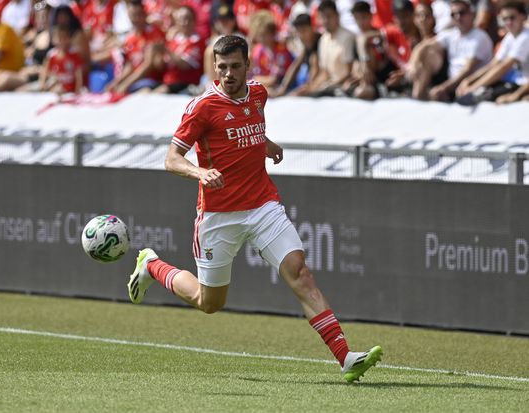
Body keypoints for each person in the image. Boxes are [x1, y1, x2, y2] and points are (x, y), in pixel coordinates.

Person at [127, 34, 382, 383]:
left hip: (262, 205)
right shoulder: (202, 108)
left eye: (235, 66)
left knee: (299, 273)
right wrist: (200, 172)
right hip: (218, 216)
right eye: (221, 67)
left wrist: (266, 144)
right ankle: (152, 265)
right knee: (209, 302)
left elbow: (246, 130)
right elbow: (171, 159)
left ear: (248, 65)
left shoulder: (259, 94)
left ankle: (346, 358)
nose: (228, 74)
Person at [411, 0, 493, 101]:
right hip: (451, 84)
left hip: (470, 85)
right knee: (429, 54)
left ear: (471, 14)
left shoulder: (479, 37)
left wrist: (443, 88)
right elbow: (424, 46)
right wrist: (413, 63)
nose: (458, 17)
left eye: (462, 13)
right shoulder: (452, 34)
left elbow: (467, 70)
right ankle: (417, 98)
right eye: (453, 14)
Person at [456, 0, 529, 105]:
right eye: (505, 19)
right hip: (517, 83)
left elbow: (504, 66)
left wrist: (474, 87)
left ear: (524, 17)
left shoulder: (525, 37)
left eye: (512, 18)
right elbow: (494, 64)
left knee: (481, 97)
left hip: (522, 86)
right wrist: (469, 80)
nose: (508, 22)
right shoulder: (510, 37)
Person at [271, 12, 321, 97]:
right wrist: (283, 88)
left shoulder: (320, 42)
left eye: (304, 31)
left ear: (312, 28)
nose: (301, 35)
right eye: (299, 32)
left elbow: (315, 68)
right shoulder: (307, 45)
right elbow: (296, 65)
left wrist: (307, 87)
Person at [38, 23, 84, 93]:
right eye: (59, 38)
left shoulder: (74, 54)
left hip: (70, 91)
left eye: (64, 38)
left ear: (69, 38)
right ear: (53, 39)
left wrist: (77, 90)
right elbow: (45, 71)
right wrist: (42, 85)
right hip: (55, 88)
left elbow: (79, 75)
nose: (61, 41)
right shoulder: (51, 55)